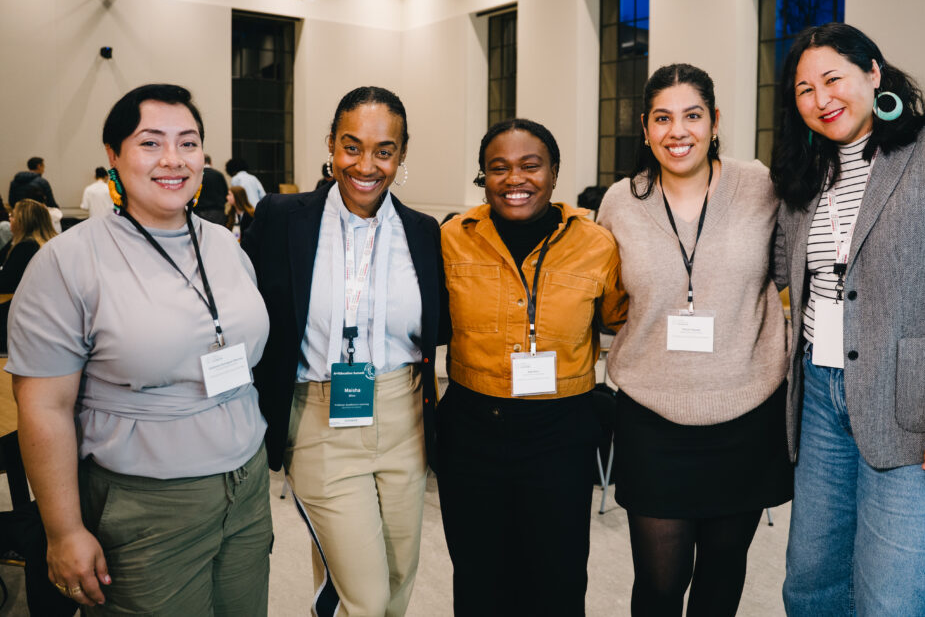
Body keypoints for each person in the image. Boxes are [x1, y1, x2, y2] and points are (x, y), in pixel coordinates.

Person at [770, 22, 925, 615]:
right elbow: (778, 270)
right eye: (804, 90)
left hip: (918, 404)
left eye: (833, 79)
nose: (821, 98)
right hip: (821, 400)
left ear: (873, 73)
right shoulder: (805, 177)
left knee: (898, 598)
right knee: (811, 584)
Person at [7, 83, 273, 615]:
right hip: (145, 504)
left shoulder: (224, 244)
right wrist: (64, 530)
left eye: (188, 143)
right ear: (113, 155)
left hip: (246, 488)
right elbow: (44, 407)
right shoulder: (69, 262)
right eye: (150, 143)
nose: (173, 159)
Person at [596, 64, 791, 616]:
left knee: (721, 583)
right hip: (652, 417)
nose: (677, 131)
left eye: (692, 115)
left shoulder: (759, 186)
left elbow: (791, 270)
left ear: (714, 121)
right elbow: (606, 299)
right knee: (659, 586)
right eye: (663, 118)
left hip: (746, 411)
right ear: (645, 127)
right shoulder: (620, 201)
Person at [243, 86, 445, 617]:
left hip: (404, 419)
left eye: (384, 151)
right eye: (352, 147)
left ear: (402, 154)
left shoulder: (423, 232)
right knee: (364, 597)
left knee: (397, 584)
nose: (366, 165)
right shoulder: (281, 217)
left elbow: (438, 327)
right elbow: (243, 308)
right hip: (318, 420)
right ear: (331, 143)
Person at [438, 118, 628, 616]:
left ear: (554, 172)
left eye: (530, 165)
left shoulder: (597, 244)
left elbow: (618, 317)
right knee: (479, 578)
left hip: (560, 432)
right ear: (484, 176)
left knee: (557, 580)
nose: (514, 179)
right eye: (498, 167)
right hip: (472, 430)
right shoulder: (453, 238)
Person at [0, 199, 56, 293]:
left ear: (22, 222)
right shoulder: (26, 242)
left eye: (13, 215)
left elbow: (6, 283)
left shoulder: (26, 247)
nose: (9, 218)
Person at [194, 154, 229, 225]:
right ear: (211, 162)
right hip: (217, 212)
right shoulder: (219, 175)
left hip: (200, 211)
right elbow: (225, 193)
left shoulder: (196, 176)